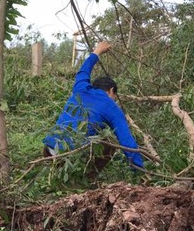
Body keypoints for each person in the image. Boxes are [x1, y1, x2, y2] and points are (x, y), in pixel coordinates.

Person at [43, 41, 144, 176]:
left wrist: (97, 51)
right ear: (111, 91)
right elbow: (126, 142)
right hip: (73, 157)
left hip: (49, 150)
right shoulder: (111, 107)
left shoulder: (81, 88)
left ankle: (55, 171)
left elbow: (84, 70)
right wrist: (140, 170)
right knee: (109, 143)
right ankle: (87, 178)